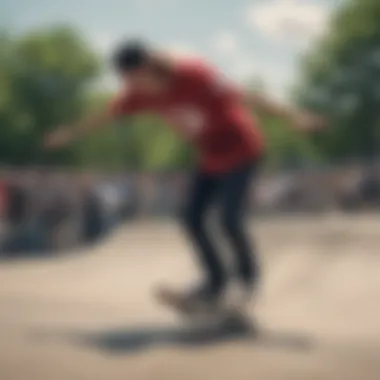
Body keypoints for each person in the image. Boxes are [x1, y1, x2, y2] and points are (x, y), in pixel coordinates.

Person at [45, 39, 324, 312]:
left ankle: (248, 280)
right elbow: (105, 114)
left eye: (138, 78)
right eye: (128, 81)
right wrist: (68, 134)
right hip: (211, 157)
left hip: (242, 148)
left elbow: (246, 95)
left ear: (151, 66)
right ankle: (214, 283)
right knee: (190, 218)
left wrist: (294, 115)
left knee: (229, 219)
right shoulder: (136, 95)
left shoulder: (195, 75)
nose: (137, 87)